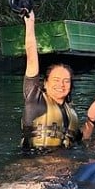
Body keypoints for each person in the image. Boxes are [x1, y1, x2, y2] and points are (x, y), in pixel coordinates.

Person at [20, 10, 81, 154]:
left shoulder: (70, 112)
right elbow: (32, 60)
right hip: (34, 165)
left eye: (66, 81)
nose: (61, 85)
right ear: (45, 83)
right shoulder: (36, 101)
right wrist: (30, 22)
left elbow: (80, 141)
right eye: (56, 80)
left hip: (63, 167)